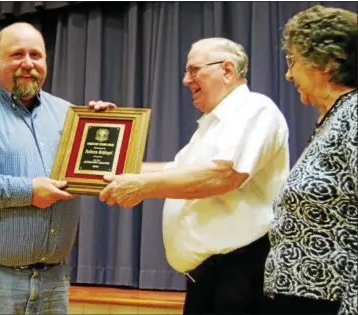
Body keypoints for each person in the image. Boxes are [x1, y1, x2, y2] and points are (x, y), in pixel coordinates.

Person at [0, 22, 114, 314]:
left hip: (52, 282)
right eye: (17, 54)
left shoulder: (68, 114)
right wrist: (27, 192)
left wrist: (101, 126)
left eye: (36, 55)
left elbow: (89, 171)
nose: (28, 63)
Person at [100, 38, 290, 314]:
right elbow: (171, 172)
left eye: (193, 70)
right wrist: (104, 145)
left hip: (240, 278)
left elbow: (225, 175)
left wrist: (141, 185)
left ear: (226, 70)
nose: (185, 80)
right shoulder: (212, 126)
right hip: (208, 279)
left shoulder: (254, 109)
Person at [263, 5, 357, 315]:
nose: (288, 74)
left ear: (326, 63)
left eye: (293, 61)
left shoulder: (354, 114)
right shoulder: (334, 117)